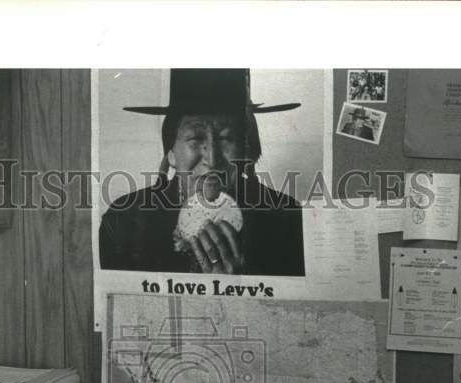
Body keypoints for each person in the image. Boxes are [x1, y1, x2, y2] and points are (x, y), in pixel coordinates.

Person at [99, 68, 306, 277]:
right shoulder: (124, 223)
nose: (212, 159)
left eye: (226, 138)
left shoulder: (289, 222)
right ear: (170, 153)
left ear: (246, 150)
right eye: (196, 138)